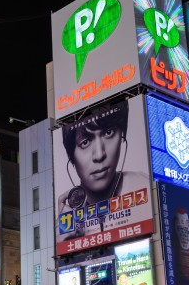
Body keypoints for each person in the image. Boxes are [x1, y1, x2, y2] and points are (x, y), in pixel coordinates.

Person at [56, 100, 150, 235]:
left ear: (122, 136)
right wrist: (63, 240)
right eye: (85, 142)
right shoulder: (67, 214)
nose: (99, 155)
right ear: (72, 157)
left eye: (108, 132)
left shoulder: (145, 186)